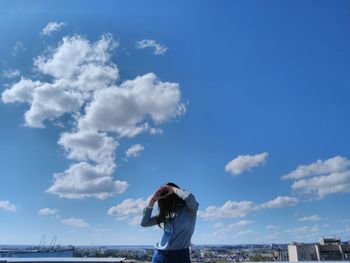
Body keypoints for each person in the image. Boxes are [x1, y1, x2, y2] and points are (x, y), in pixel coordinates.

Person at [140, 182, 199, 263]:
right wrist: (152, 200)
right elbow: (144, 223)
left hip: (180, 256)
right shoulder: (166, 214)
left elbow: (189, 197)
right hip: (159, 256)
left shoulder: (190, 209)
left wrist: (173, 189)